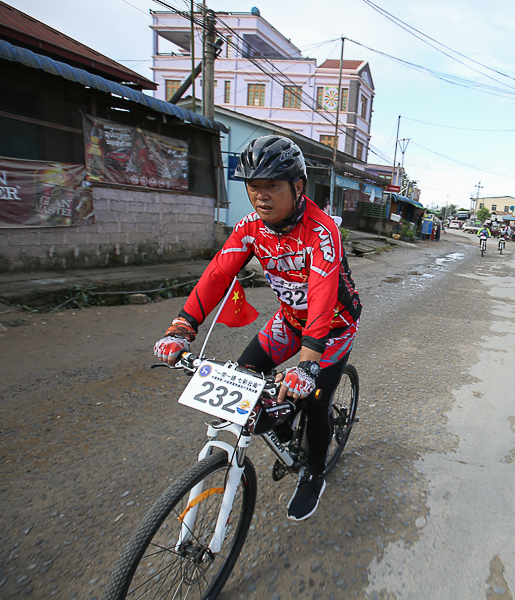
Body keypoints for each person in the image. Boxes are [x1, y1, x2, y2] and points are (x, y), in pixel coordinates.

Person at [153, 135, 362, 522]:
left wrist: (307, 365)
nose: (261, 196)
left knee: (315, 400)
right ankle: (282, 424)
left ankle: (314, 474)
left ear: (297, 186)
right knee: (244, 378)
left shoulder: (321, 232)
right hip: (289, 320)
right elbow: (217, 274)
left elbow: (320, 296)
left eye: (272, 185)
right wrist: (182, 326)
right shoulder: (250, 227)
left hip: (331, 329)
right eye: (253, 186)